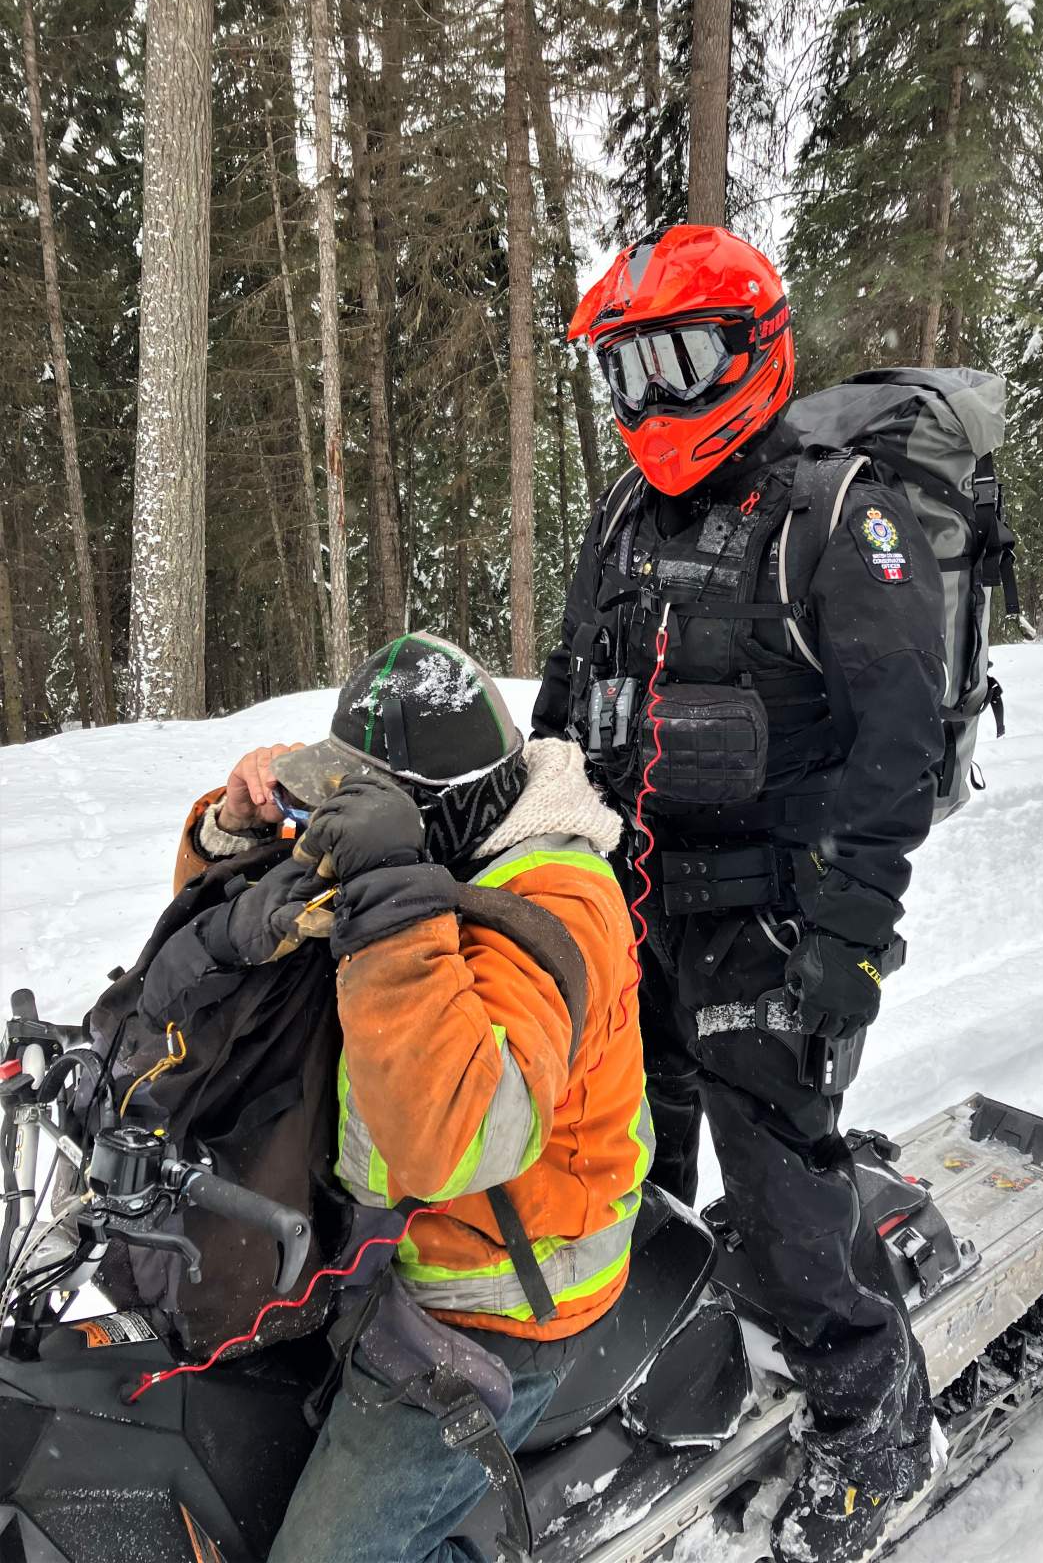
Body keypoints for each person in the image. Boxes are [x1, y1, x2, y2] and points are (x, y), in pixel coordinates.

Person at [533, 226, 946, 1562]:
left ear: (752, 348)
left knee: (776, 1193)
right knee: (613, 1170)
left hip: (776, 916)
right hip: (628, 906)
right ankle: (663, 1366)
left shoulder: (840, 513)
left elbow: (901, 746)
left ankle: (872, 1416)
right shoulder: (626, 515)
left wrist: (851, 931)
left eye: (680, 360)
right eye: (627, 369)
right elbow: (562, 701)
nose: (651, 400)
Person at [162, 632, 652, 1563]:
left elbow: (454, 1139)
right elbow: (235, 967)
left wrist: (386, 898)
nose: (336, 826)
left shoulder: (557, 899)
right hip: (365, 1256)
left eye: (361, 804)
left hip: (495, 1299)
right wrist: (235, 835)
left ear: (433, 816)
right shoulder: (418, 850)